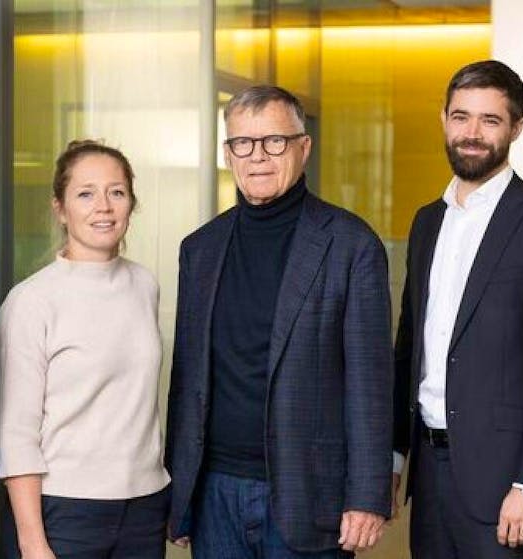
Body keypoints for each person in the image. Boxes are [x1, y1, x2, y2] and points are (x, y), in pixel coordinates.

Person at [165, 85, 394, 558]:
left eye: (275, 141)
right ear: (228, 154)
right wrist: (181, 493)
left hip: (308, 492)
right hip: (215, 492)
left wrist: (367, 496)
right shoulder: (200, 249)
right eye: (242, 144)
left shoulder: (352, 246)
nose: (258, 157)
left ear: (303, 147)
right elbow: (187, 380)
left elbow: (371, 382)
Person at [392, 59, 523, 559]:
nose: (472, 133)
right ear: (443, 120)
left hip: (507, 484)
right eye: (461, 117)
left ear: (517, 129)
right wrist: (396, 456)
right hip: (430, 479)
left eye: (490, 120)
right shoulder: (426, 224)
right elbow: (408, 347)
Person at [0, 140, 171, 559]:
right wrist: (32, 541)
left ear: (132, 203)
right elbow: (15, 433)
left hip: (145, 506)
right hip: (65, 511)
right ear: (60, 207)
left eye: (117, 192)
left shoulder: (144, 285)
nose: (104, 207)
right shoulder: (32, 301)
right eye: (85, 193)